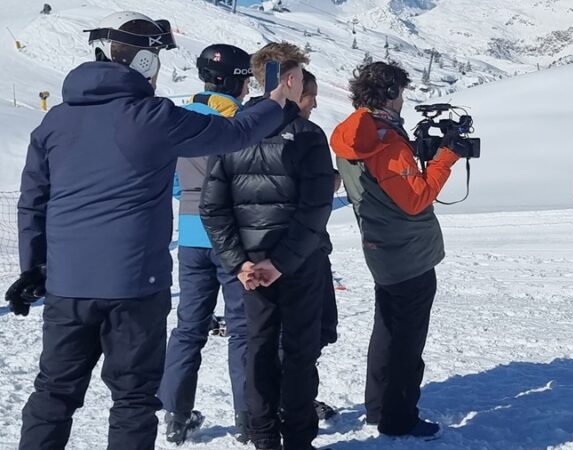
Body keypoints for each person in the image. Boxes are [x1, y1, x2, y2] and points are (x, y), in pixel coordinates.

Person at [5, 11, 289, 450]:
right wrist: (276, 100)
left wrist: (34, 268)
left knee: (54, 394)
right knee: (134, 400)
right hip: (135, 287)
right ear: (145, 64)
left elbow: (33, 201)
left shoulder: (56, 120)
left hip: (66, 287)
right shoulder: (154, 117)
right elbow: (236, 133)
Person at [200, 42, 334, 450]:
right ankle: (295, 438)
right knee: (298, 351)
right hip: (297, 265)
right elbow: (315, 209)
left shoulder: (232, 132)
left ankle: (262, 437)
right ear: (290, 80)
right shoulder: (308, 135)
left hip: (253, 268)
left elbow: (212, 207)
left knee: (258, 347)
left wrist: (239, 262)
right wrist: (280, 262)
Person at [329, 61, 460, 439]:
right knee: (406, 338)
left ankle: (378, 407)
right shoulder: (384, 140)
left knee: (387, 328)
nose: (403, 100)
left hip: (381, 245)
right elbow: (416, 198)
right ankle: (398, 416)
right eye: (401, 92)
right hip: (409, 251)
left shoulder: (354, 134)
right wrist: (445, 158)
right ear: (389, 93)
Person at [158, 43, 253, 445]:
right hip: (233, 234)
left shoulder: (177, 116)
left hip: (192, 235)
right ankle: (249, 416)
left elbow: (174, 182)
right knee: (244, 329)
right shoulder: (241, 121)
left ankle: (176, 415)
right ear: (237, 80)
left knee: (189, 328)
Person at [298, 68, 338, 421]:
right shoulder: (308, 134)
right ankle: (297, 404)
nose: (315, 103)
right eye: (311, 95)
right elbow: (318, 191)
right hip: (305, 250)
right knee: (310, 332)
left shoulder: (246, 126)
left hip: (263, 248)